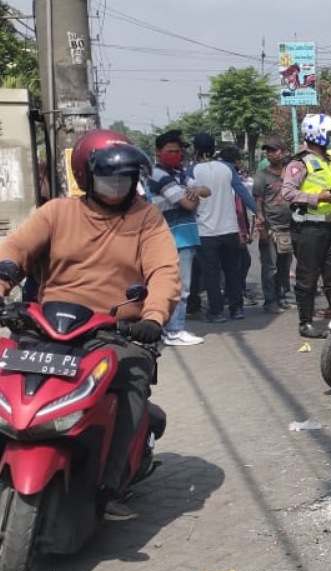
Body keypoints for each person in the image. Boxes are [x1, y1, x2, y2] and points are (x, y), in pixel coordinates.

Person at [0, 129, 181, 520]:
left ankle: (109, 486)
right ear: (86, 176)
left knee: (133, 380)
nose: (117, 187)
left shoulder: (146, 218)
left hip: (112, 332)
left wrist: (153, 317)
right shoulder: (57, 212)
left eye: (125, 178)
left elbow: (164, 270)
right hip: (44, 325)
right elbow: (14, 250)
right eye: (108, 177)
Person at [279, 113, 331, 338]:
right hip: (308, 230)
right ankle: (306, 323)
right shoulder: (299, 162)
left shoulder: (329, 162)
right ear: (318, 135)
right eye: (329, 135)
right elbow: (288, 193)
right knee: (308, 277)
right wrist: (317, 198)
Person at [148, 129, 209, 346]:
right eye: (170, 150)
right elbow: (189, 203)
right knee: (179, 287)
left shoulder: (179, 173)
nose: (175, 154)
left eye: (177, 151)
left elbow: (205, 190)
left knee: (177, 286)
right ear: (157, 151)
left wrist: (193, 191)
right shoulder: (159, 175)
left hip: (184, 235)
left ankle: (170, 328)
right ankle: (174, 329)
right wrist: (192, 193)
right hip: (173, 237)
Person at [191, 132, 259, 323]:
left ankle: (217, 312)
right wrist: (258, 211)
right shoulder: (228, 168)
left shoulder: (193, 172)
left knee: (212, 273)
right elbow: (243, 194)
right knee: (232, 271)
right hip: (229, 229)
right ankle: (237, 309)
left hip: (205, 232)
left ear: (196, 150)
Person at [252, 137, 294, 314]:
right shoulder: (262, 177)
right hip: (271, 227)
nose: (270, 153)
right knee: (270, 267)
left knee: (285, 265)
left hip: (289, 227)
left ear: (283, 152)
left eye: (274, 150)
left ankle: (282, 297)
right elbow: (258, 203)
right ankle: (270, 301)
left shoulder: (291, 174)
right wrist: (260, 226)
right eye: (268, 150)